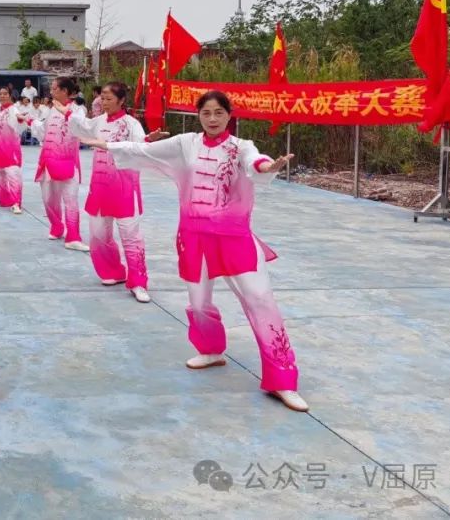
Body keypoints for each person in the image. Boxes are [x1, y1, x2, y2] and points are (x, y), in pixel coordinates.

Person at [82, 90, 307, 412]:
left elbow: (255, 163)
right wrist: (112, 146)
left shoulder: (240, 148)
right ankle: (211, 350)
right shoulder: (186, 143)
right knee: (199, 301)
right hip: (194, 236)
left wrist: (270, 166)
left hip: (235, 238)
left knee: (259, 300)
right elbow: (146, 151)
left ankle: (283, 379)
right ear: (198, 116)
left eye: (219, 113)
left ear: (230, 115)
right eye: (206, 114)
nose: (213, 119)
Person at [68, 82, 166, 302]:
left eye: (109, 98)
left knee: (131, 237)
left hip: (124, 187)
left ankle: (138, 282)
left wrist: (150, 139)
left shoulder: (131, 123)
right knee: (98, 235)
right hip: (99, 187)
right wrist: (69, 111)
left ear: (121, 101)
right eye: (102, 98)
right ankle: (112, 271)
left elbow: (140, 146)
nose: (104, 102)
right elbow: (79, 127)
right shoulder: (99, 121)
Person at [30, 76, 88, 252]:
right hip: (48, 161)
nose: (51, 91)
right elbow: (43, 130)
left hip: (68, 162)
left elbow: (82, 127)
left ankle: (73, 236)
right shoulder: (51, 110)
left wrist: (66, 112)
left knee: (70, 200)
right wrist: (30, 122)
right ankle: (56, 226)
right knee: (49, 199)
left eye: (54, 88)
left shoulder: (78, 110)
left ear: (64, 91)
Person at [0, 87, 28, 214]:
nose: (2, 96)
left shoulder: (13, 109)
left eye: (5, 94)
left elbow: (19, 120)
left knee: (13, 177)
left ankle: (16, 202)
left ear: (10, 96)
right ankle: (4, 200)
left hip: (10, 150)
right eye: (0, 94)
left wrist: (20, 119)